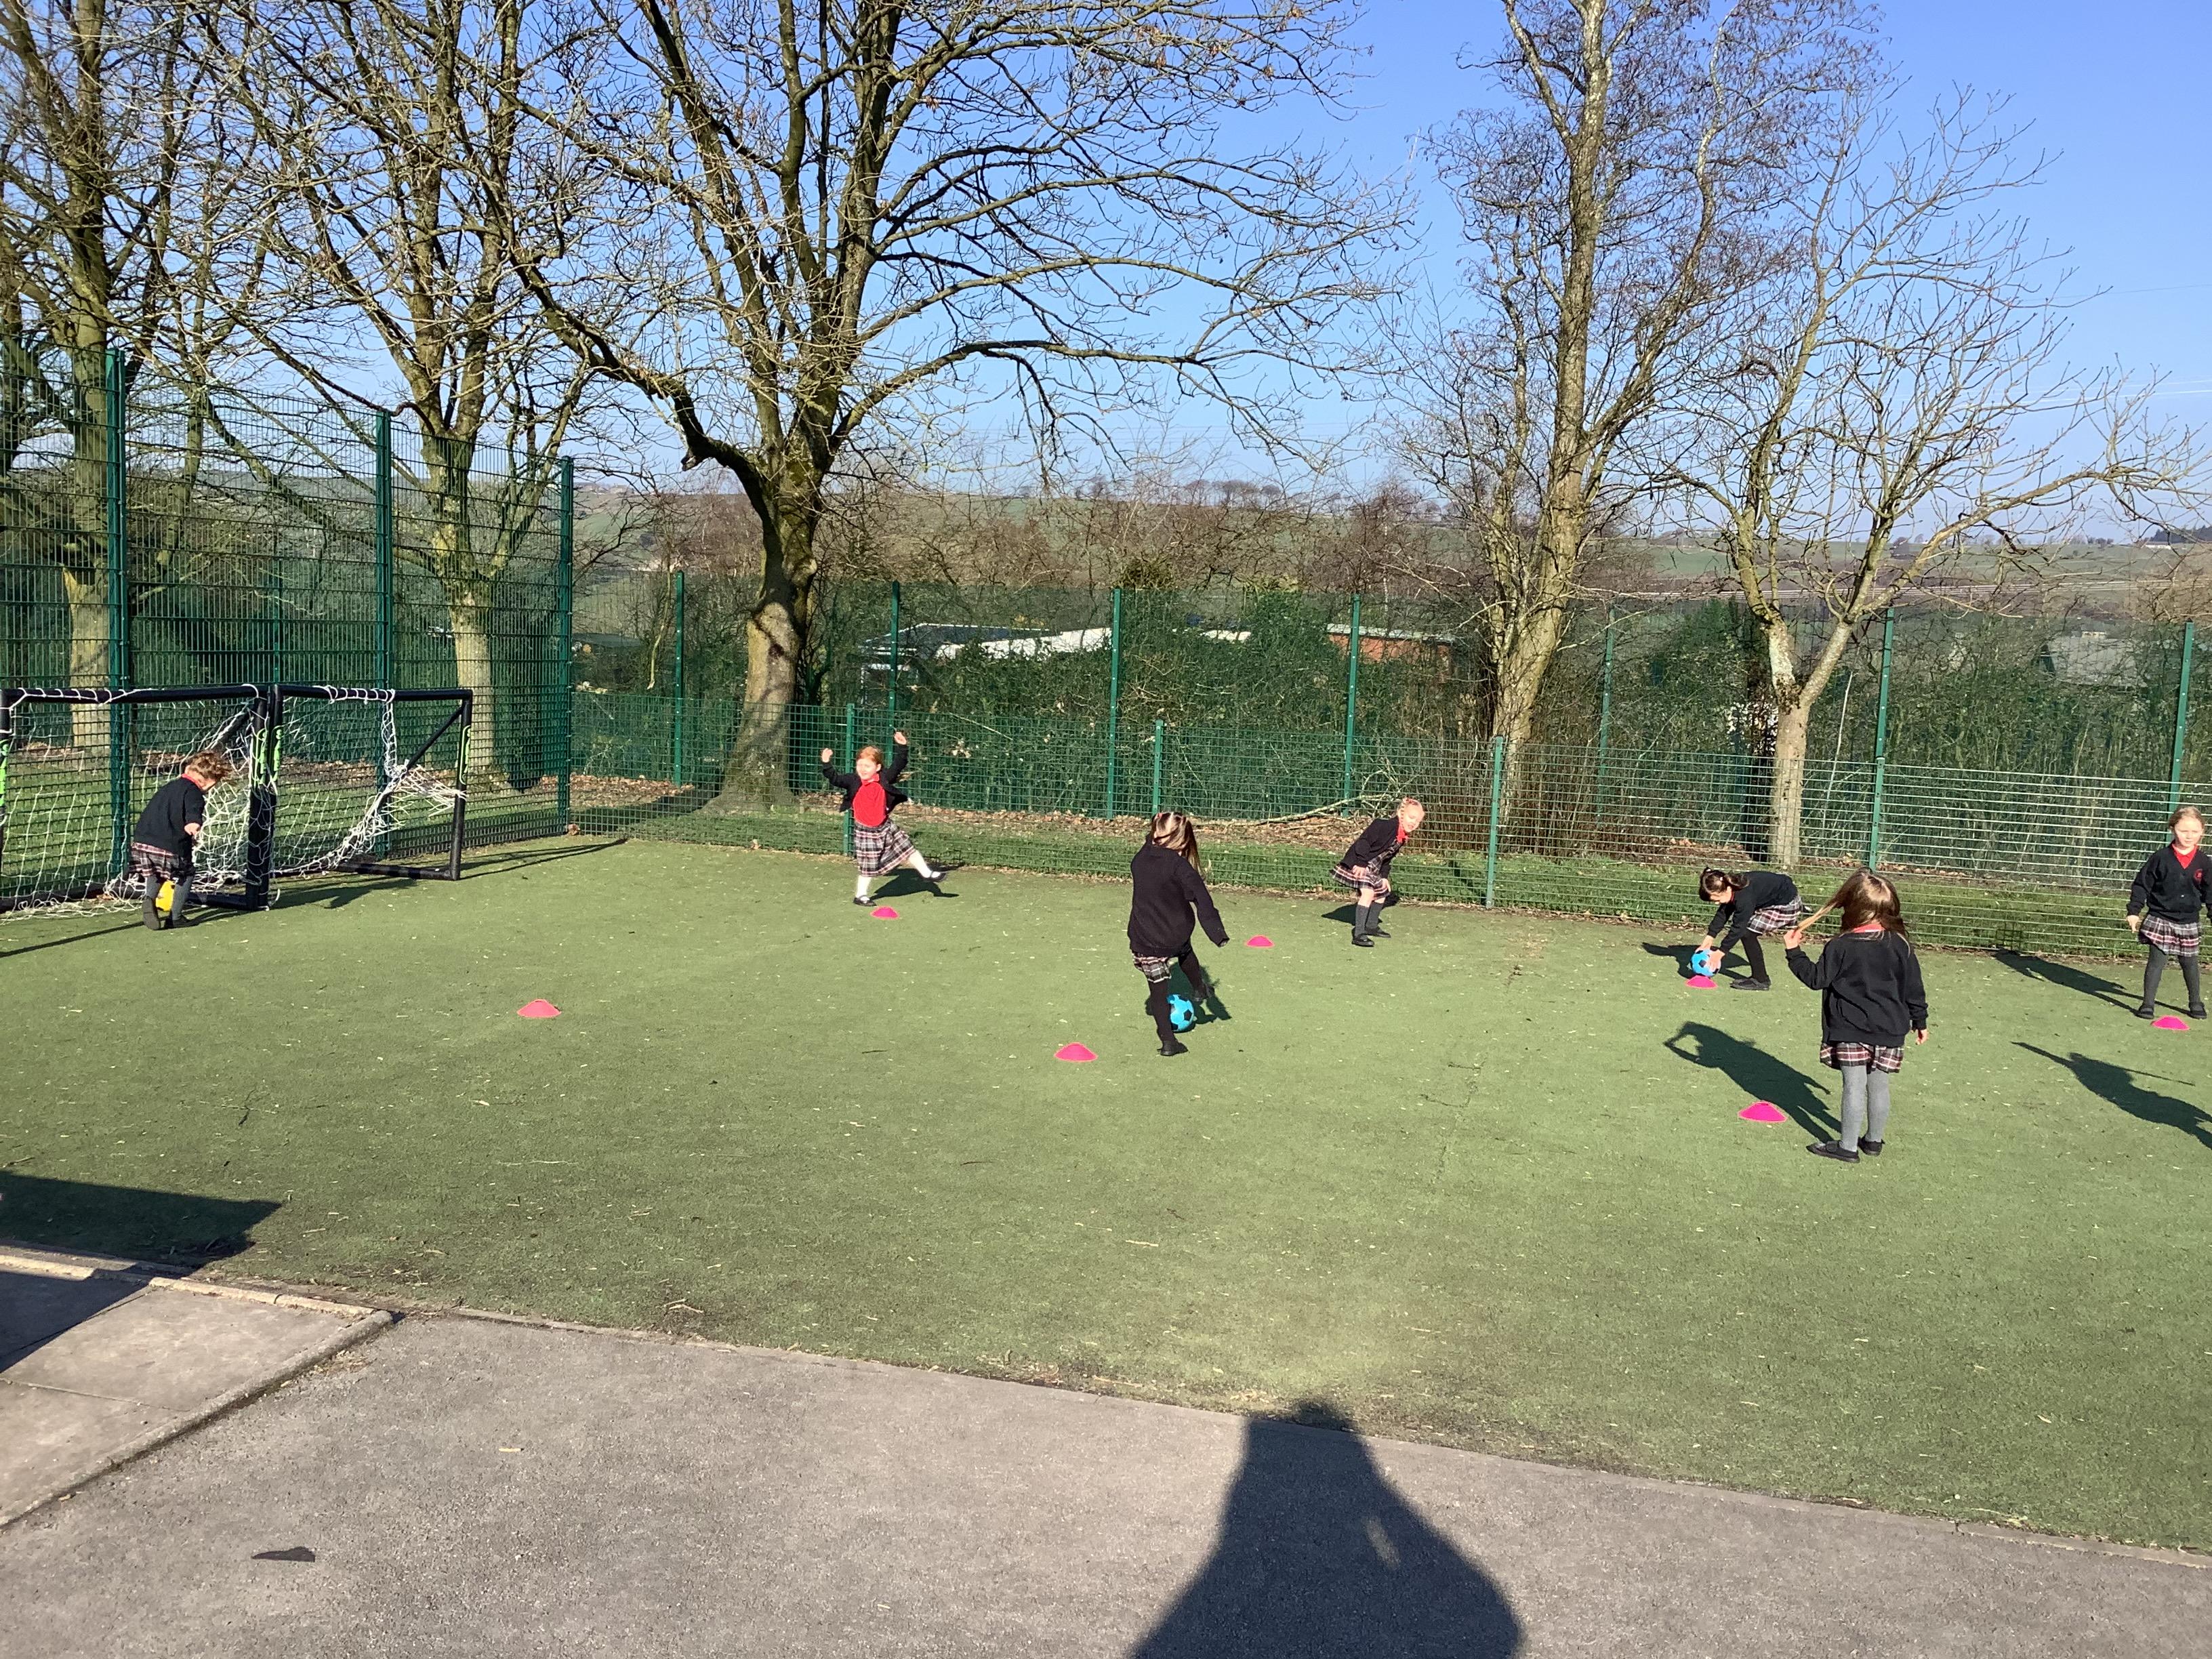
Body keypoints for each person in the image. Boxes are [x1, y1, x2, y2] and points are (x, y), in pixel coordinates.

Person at [1783, 869, 1929, 1164]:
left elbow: (1816, 979)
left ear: (1852, 908)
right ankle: (1873, 1141)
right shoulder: (1900, 943)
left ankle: (1847, 1147)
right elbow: (1914, 987)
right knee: (1879, 1086)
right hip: (1891, 1029)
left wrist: (1794, 952)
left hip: (1849, 1029)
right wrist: (1920, 1021)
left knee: (1854, 1086)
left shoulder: (1840, 946)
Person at [1129, 811, 1229, 1057]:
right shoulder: (1180, 867)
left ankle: (1168, 1042)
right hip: (1175, 933)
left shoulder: (1141, 858)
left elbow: (1151, 841)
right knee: (1184, 951)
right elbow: (1203, 901)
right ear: (1184, 841)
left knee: (1158, 993)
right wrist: (1217, 934)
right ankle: (1200, 988)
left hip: (1144, 938)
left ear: (1154, 832)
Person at [819, 731, 949, 905]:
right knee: (868, 866)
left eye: (867, 766)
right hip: (865, 831)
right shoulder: (852, 781)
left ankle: (927, 873)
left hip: (885, 826)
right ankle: (860, 896)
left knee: (908, 848)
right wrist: (826, 763)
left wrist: (903, 747)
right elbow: (835, 779)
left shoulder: (884, 778)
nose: (863, 769)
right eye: (860, 765)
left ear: (878, 767)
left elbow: (899, 764)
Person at [129, 750, 232, 930]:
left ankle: (149, 899)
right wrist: (193, 823)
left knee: (157, 873)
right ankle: (175, 917)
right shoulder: (194, 792)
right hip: (168, 845)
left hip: (141, 842)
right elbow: (193, 810)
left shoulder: (168, 788)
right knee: (187, 874)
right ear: (209, 782)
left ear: (187, 769)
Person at [2127, 804, 2212, 1020]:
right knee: (2157, 962)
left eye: (2194, 831)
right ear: (2173, 829)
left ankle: (2196, 1003)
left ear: (2202, 832)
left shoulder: (2204, 862)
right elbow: (2142, 885)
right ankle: (2147, 1004)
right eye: (2183, 830)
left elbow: (2210, 892)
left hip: (2189, 920)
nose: (2189, 836)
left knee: (2189, 963)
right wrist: (2134, 910)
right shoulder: (2160, 858)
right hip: (2160, 917)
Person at [1332, 798, 1425, 947]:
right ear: (1401, 814)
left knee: (1382, 892)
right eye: (1411, 817)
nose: (1414, 823)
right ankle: (1359, 934)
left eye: (1418, 821)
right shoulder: (1384, 825)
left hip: (1374, 867)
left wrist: (1384, 877)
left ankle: (1371, 926)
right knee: (1368, 893)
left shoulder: (1401, 837)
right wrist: (1361, 863)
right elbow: (1364, 842)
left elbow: (1387, 859)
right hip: (1360, 863)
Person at [1696, 867, 1805, 990]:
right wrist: (1710, 937)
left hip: (1786, 903)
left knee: (1747, 934)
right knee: (1743, 927)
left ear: (1728, 889)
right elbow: (1723, 913)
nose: (1717, 903)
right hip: (1771, 896)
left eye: (1717, 899)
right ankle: (1760, 978)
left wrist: (1721, 952)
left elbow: (1738, 928)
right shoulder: (1731, 885)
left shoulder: (1744, 897)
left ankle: (1761, 980)